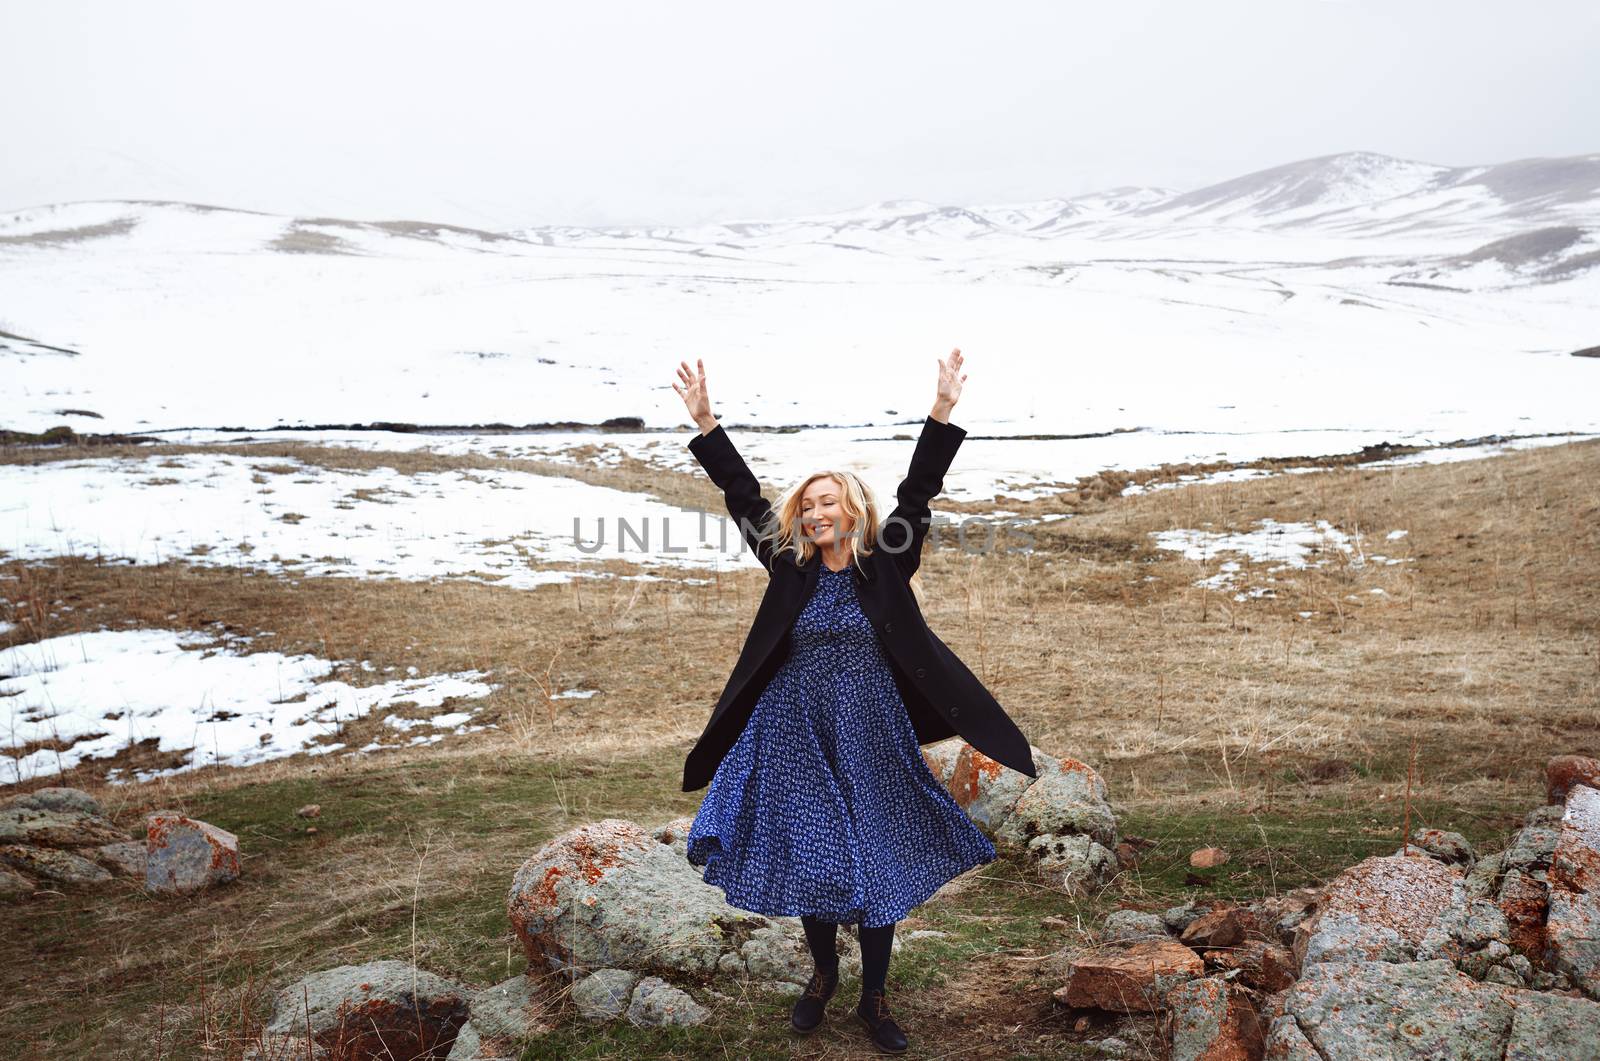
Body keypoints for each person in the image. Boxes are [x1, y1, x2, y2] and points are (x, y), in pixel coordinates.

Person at [673, 349, 1027, 1053]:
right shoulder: (787, 564)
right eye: (807, 504)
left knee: (876, 854)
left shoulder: (886, 559)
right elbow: (744, 496)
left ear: (852, 508)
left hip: (870, 729)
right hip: (794, 728)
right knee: (817, 854)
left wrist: (942, 411)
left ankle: (875, 994)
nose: (815, 511)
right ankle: (823, 975)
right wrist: (708, 422)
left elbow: (919, 490)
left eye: (827, 501)